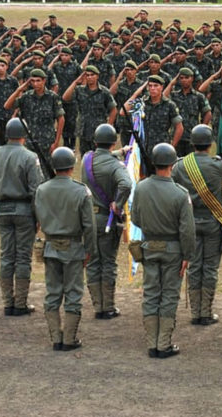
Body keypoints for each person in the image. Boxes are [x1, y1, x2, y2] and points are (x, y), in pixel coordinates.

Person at [131, 143, 195, 359]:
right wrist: (187, 255)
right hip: (173, 250)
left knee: (150, 293)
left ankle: (152, 343)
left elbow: (136, 219)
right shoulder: (180, 193)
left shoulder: (141, 187)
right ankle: (164, 344)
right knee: (169, 295)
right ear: (172, 165)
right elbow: (187, 230)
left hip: (149, 246)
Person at [171, 125, 222, 326]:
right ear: (210, 144)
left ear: (192, 143)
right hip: (212, 222)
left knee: (193, 267)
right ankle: (205, 312)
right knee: (209, 268)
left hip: (189, 223)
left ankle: (195, 312)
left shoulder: (181, 165)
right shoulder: (218, 165)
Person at [35, 147, 96, 351]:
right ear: (72, 166)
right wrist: (90, 250)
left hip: (51, 246)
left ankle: (55, 337)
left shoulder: (42, 190)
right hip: (74, 247)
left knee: (52, 293)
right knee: (73, 293)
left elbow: (39, 218)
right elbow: (89, 226)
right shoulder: (80, 191)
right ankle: (69, 338)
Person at [0, 118, 44, 316]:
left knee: (6, 256)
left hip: (2, 211)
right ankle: (20, 303)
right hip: (24, 211)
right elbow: (36, 190)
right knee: (23, 258)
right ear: (24, 135)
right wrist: (38, 217)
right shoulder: (30, 157)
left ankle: (8, 302)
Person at [81, 124, 133, 320]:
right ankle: (108, 307)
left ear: (95, 142)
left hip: (89, 219)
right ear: (113, 142)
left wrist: (121, 152)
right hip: (106, 219)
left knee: (93, 261)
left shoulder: (86, 159)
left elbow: (104, 155)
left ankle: (97, 306)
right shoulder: (115, 165)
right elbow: (126, 184)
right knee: (108, 262)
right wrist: (118, 204)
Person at [62, 65, 117, 155]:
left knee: (99, 158)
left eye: (92, 75)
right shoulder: (80, 90)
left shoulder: (104, 92)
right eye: (87, 75)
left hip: (98, 133)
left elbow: (113, 110)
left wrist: (108, 126)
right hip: (83, 131)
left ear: (97, 76)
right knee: (85, 159)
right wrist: (76, 82)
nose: (89, 77)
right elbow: (65, 98)